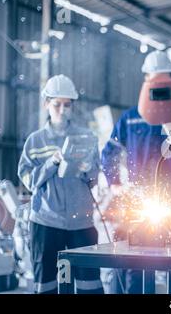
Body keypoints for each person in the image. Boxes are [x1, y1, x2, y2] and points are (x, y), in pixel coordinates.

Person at [101, 51, 171, 294]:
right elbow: (109, 152)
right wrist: (115, 184)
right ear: (146, 79)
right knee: (134, 262)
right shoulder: (129, 119)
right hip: (137, 203)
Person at [18, 74, 103, 294]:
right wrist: (52, 162)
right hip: (46, 223)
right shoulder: (35, 141)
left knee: (89, 283)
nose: (62, 110)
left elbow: (95, 179)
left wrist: (88, 169)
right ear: (46, 103)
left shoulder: (87, 137)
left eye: (67, 105)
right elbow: (28, 180)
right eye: (57, 104)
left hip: (81, 224)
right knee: (46, 283)